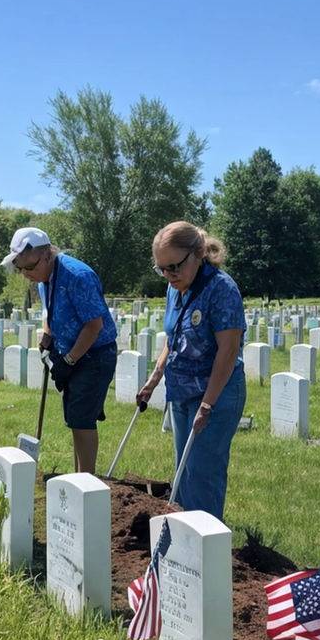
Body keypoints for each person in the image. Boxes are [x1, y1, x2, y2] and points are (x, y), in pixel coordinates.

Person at [137, 221, 245, 520]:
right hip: (182, 391)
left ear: (197, 253)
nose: (168, 275)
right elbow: (174, 337)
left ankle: (206, 551)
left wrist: (208, 403)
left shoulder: (222, 289)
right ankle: (185, 553)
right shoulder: (176, 288)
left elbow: (228, 350)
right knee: (183, 473)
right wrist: (154, 378)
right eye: (162, 269)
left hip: (216, 393)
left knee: (202, 474)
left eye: (174, 266)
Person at [0, 226, 117, 474]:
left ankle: (86, 480)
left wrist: (70, 360)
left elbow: (94, 325)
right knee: (75, 417)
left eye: (29, 268)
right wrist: (47, 337)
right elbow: (49, 311)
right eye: (20, 269)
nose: (25, 275)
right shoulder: (44, 279)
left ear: (46, 255)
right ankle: (80, 476)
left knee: (82, 419)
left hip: (94, 356)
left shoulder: (77, 276)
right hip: (73, 355)